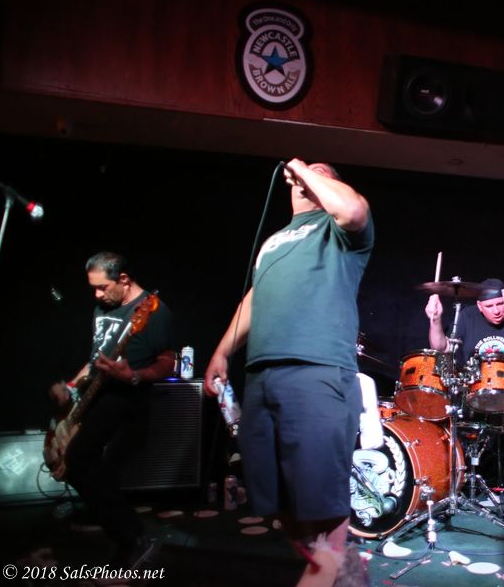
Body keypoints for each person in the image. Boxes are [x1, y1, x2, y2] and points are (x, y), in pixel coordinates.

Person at [204, 159, 373, 587]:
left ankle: (330, 564)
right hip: (261, 373)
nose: (306, 175)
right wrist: (222, 351)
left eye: (322, 172)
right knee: (277, 495)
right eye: (302, 173)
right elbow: (255, 297)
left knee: (322, 495)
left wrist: (302, 166)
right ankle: (337, 569)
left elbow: (352, 210)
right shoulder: (274, 241)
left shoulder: (338, 230)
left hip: (316, 369)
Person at [49, 251, 175, 569]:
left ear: (124, 279)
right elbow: (96, 358)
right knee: (77, 466)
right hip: (93, 395)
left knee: (80, 461)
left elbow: (167, 362)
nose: (97, 295)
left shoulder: (154, 310)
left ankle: (133, 537)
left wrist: (133, 375)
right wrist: (71, 386)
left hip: (125, 397)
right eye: (93, 288)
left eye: (102, 287)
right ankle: (119, 530)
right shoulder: (102, 309)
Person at [425, 278, 504, 517]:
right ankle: (445, 484)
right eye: (490, 306)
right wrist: (435, 320)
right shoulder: (467, 317)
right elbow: (442, 348)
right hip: (475, 384)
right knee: (445, 403)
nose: (497, 310)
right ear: (480, 306)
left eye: (500, 304)